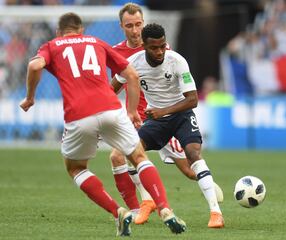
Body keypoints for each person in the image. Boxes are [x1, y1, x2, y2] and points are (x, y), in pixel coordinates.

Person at [19, 12, 186, 237]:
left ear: (59, 33)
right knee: (138, 157)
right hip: (111, 109)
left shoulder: (53, 45)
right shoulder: (96, 42)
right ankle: (165, 208)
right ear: (81, 31)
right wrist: (131, 111)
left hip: (79, 115)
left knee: (76, 168)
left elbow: (35, 66)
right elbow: (132, 75)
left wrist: (30, 97)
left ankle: (119, 211)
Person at [109, 3, 224, 227]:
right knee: (127, 151)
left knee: (191, 164)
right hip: (150, 120)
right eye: (129, 25)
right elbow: (111, 88)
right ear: (144, 46)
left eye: (162, 46)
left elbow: (192, 99)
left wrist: (161, 111)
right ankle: (147, 202)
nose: (160, 51)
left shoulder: (176, 60)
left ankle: (215, 209)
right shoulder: (130, 63)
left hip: (178, 115)